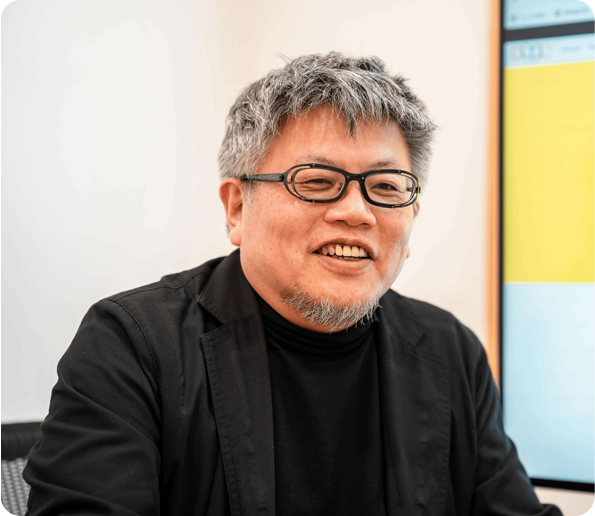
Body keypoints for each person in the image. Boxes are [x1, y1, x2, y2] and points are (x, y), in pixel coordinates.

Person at [24, 52, 561, 516]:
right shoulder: (133, 345)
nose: (357, 212)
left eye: (385, 186)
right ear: (238, 208)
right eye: (317, 182)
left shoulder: (449, 349)